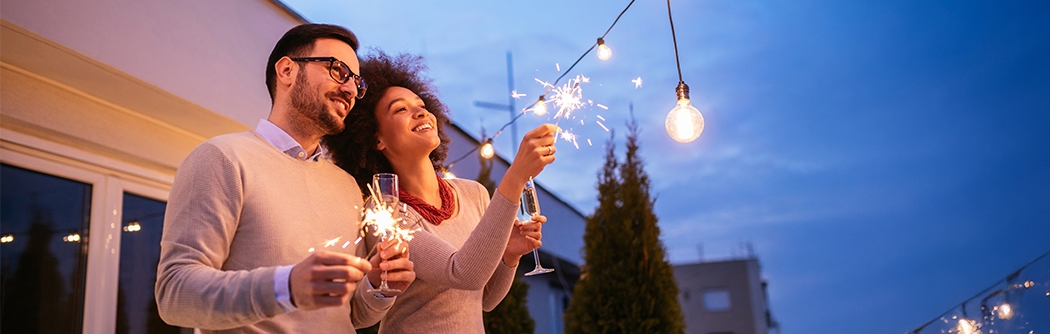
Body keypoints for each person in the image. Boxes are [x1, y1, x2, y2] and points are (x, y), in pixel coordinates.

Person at [155, 24, 415, 333]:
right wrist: (286, 287)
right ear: (287, 70)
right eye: (338, 71)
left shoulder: (346, 186)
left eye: (356, 83)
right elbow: (174, 294)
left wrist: (377, 285)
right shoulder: (222, 158)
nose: (349, 90)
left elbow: (350, 314)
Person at [324, 51, 558, 333]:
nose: (421, 112)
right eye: (400, 109)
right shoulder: (384, 213)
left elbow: (484, 299)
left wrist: (510, 255)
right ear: (376, 138)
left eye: (421, 105)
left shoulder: (473, 193)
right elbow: (462, 272)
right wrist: (515, 176)